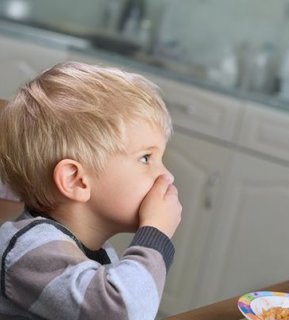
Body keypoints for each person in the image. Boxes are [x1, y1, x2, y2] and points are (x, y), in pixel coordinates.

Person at [0, 61, 182, 319]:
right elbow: (124, 312)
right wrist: (155, 235)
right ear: (76, 180)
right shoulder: (31, 250)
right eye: (145, 158)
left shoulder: (94, 250)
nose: (167, 175)